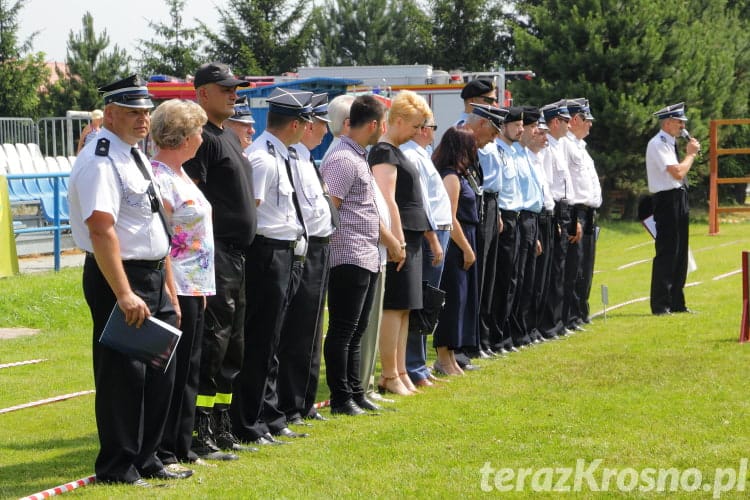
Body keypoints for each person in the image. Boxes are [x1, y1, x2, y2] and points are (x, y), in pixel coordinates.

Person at [68, 75, 190, 486]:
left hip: (152, 273)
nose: (144, 119)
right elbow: (102, 229)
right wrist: (123, 292)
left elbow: (155, 223)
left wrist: (168, 285)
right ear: (113, 113)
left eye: (146, 111)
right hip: (120, 275)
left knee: (160, 369)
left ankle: (148, 456)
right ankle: (118, 465)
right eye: (135, 112)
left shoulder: (133, 154)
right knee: (124, 374)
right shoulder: (101, 158)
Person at [182, 62, 256, 459]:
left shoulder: (227, 135)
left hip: (238, 256)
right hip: (216, 253)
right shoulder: (201, 139)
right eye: (225, 89)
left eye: (235, 89)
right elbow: (191, 200)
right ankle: (199, 430)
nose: (233, 94)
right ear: (203, 94)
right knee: (214, 342)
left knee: (234, 345)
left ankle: (222, 421)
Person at [231, 88, 311, 444]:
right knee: (261, 341)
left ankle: (269, 414)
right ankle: (249, 421)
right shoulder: (263, 158)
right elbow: (254, 211)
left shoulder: (283, 154)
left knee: (273, 340)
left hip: (285, 252)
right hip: (267, 253)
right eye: (305, 121)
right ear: (294, 124)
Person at [321, 95, 401, 415]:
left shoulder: (357, 155)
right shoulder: (343, 158)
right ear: (373, 124)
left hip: (364, 254)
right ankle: (341, 398)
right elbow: (331, 209)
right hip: (348, 254)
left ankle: (355, 392)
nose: (383, 129)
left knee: (355, 332)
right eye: (382, 123)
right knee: (343, 330)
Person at [149, 99, 216, 472]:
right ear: (183, 136)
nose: (203, 138)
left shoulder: (182, 173)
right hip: (178, 284)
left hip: (197, 283)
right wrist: (173, 290)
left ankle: (182, 443)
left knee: (191, 366)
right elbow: (163, 240)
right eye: (198, 131)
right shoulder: (160, 177)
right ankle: (164, 449)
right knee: (172, 370)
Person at [369, 90, 435, 396]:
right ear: (396, 121)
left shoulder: (397, 150)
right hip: (401, 236)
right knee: (394, 307)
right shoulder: (384, 153)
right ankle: (390, 373)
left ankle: (401, 370)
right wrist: (397, 241)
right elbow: (387, 198)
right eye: (414, 125)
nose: (418, 132)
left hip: (411, 234)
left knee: (406, 306)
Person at [277, 93, 335, 426]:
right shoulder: (292, 157)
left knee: (313, 330)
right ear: (307, 124)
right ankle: (292, 403)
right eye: (322, 125)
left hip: (319, 245)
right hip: (306, 247)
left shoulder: (305, 157)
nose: (326, 132)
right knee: (299, 331)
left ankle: (304, 401)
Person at [401, 114, 450, 387]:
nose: (434, 132)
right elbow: (422, 204)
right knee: (422, 302)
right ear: (420, 129)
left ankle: (418, 364)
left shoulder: (422, 153)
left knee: (428, 302)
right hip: (431, 232)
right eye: (432, 127)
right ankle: (414, 366)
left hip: (439, 230)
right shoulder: (413, 156)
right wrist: (432, 238)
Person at [432, 127, 481, 375]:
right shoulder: (450, 177)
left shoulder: (461, 175)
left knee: (462, 301)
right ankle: (443, 356)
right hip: (456, 244)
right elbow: (450, 218)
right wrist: (467, 249)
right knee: (452, 301)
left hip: (465, 239)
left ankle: (451, 354)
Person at [646, 102, 700, 315]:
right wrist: (691, 155)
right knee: (668, 251)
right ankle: (661, 303)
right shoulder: (658, 143)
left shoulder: (670, 143)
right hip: (667, 200)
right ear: (668, 123)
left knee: (680, 252)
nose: (682, 126)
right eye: (679, 122)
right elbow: (677, 172)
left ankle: (677, 301)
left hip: (679, 197)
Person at [484, 106, 525, 352]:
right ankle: (493, 338)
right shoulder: (497, 151)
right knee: (499, 281)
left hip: (515, 216)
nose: (520, 129)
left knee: (512, 280)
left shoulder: (510, 152)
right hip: (503, 218)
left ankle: (502, 335)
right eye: (516, 125)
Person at [508, 107, 545, 347]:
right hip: (518, 218)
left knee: (528, 279)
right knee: (514, 278)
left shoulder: (523, 155)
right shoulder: (513, 154)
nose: (529, 131)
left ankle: (524, 330)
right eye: (525, 127)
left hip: (531, 220)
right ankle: (512, 332)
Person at [562, 98, 601, 326]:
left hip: (589, 212)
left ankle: (581, 312)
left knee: (586, 265)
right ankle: (571, 316)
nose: (590, 125)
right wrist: (574, 217)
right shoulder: (566, 145)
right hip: (577, 211)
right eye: (587, 120)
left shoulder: (580, 147)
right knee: (574, 267)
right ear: (575, 119)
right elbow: (569, 186)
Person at [539, 101, 575, 339]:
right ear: (554, 122)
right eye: (565, 121)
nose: (569, 125)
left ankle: (558, 322)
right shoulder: (546, 147)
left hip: (564, 208)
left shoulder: (560, 146)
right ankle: (549, 324)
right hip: (553, 209)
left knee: (561, 268)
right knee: (553, 269)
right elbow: (549, 186)